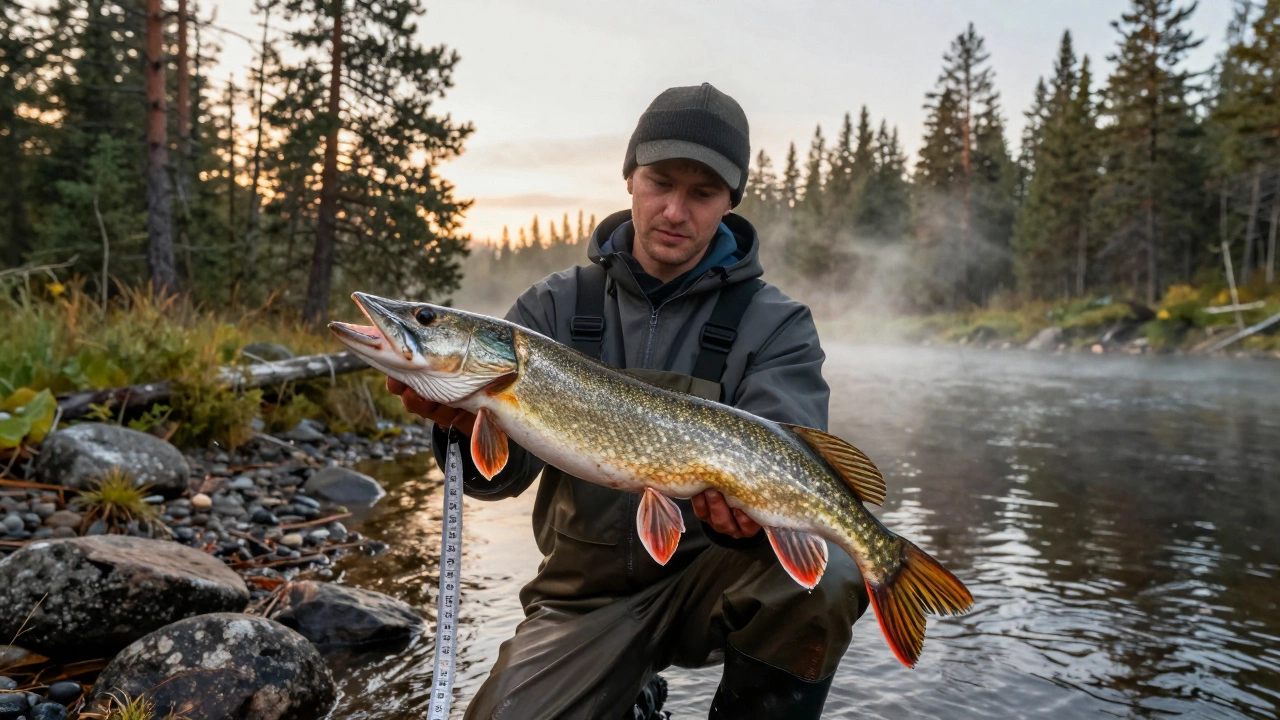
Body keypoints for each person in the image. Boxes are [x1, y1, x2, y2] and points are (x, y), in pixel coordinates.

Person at [387, 83, 868, 720]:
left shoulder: (775, 324)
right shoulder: (551, 309)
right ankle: (626, 694)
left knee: (830, 576)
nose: (675, 210)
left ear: (730, 202)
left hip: (716, 578)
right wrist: (457, 427)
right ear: (630, 180)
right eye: (660, 182)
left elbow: (792, 448)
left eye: (702, 194)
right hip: (581, 598)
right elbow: (497, 480)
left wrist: (754, 521)